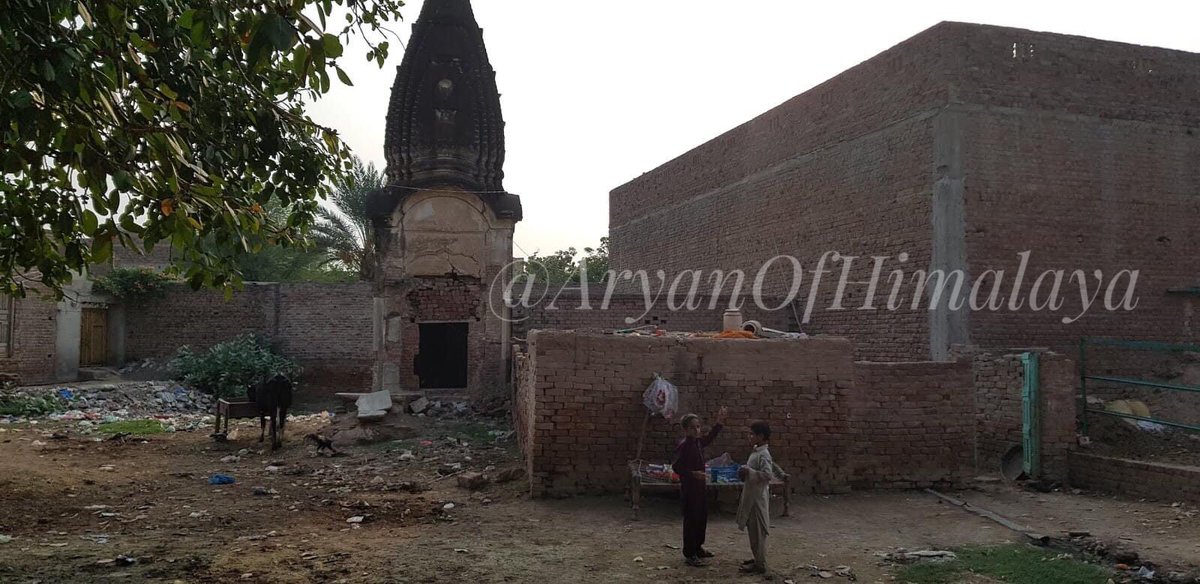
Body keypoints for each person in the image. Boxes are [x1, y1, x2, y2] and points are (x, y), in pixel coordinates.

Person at [671, 406, 728, 567]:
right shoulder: (684, 446)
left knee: (701, 518)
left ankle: (698, 547)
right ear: (685, 430)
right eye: (692, 428)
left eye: (698, 426)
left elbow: (709, 438)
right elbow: (676, 467)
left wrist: (719, 422)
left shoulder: (697, 443)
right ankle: (689, 553)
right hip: (690, 489)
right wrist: (692, 474)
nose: (696, 430)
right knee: (691, 520)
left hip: (700, 487)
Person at [737, 420, 786, 575]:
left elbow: (767, 475)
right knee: (753, 530)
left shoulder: (763, 454)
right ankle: (757, 558)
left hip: (757, 498)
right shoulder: (757, 451)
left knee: (758, 531)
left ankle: (760, 564)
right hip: (752, 495)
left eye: (752, 434)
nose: (749, 436)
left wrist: (749, 472)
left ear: (761, 436)